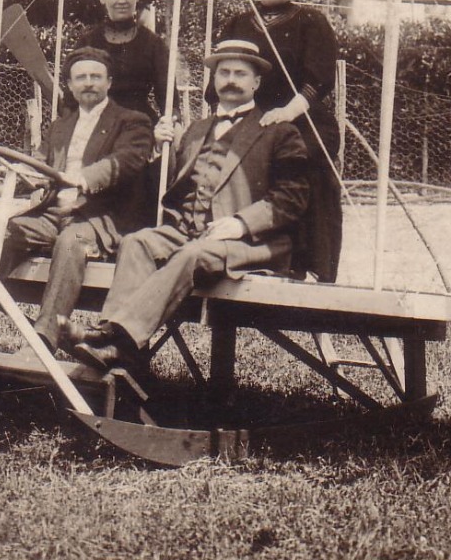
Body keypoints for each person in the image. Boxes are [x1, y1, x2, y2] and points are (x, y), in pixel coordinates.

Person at [68, 39, 309, 374]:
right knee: (136, 242)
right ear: (213, 80)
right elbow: (171, 187)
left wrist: (240, 223)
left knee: (191, 256)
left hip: (249, 243)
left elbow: (292, 198)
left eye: (241, 73)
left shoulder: (279, 131)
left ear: (256, 83)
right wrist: (159, 150)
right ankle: (117, 345)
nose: (231, 79)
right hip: (187, 231)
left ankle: (115, 340)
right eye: (223, 72)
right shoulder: (195, 130)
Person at [0, 48, 153, 354]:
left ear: (109, 81)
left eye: (96, 77)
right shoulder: (61, 126)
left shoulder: (131, 122)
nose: (88, 83)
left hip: (94, 220)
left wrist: (84, 178)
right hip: (51, 215)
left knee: (71, 242)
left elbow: (126, 161)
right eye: (81, 78)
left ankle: (44, 339)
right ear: (70, 85)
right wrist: (21, 174)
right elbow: (38, 164)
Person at [213, 0, 344, 282]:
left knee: (304, 169)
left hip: (301, 118)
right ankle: (248, 254)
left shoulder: (311, 21)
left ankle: (311, 267)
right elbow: (221, 79)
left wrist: (286, 113)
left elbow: (317, 80)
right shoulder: (238, 24)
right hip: (251, 120)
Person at [75, 0, 169, 122]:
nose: (121, 0)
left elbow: (169, 100)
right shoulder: (87, 42)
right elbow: (71, 100)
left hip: (139, 128)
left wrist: (172, 123)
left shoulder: (153, 44)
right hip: (96, 127)